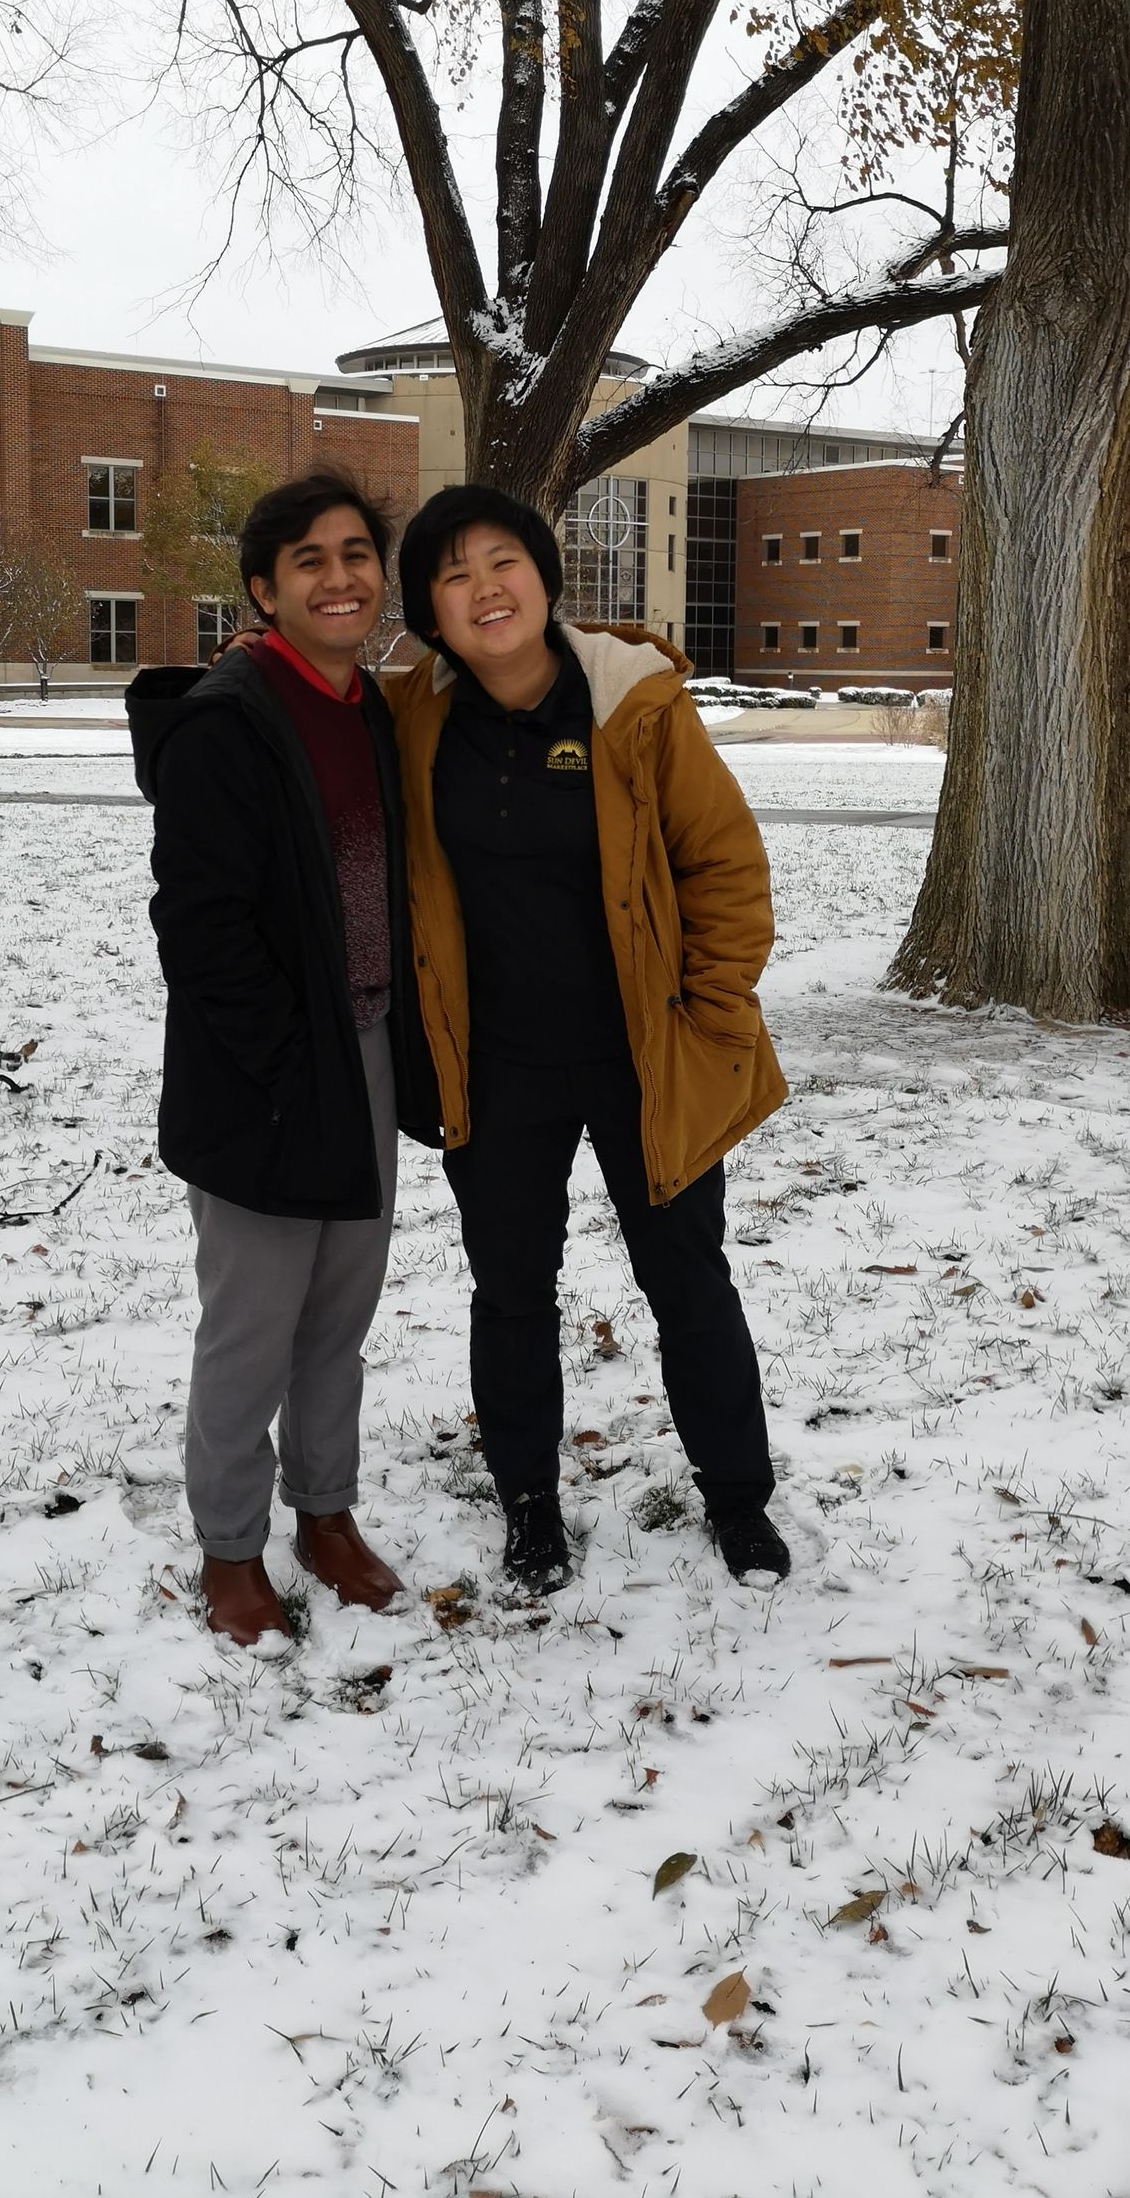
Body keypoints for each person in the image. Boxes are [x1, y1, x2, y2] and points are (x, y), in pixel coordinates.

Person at [383, 484, 791, 1594]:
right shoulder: (411, 712)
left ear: (544, 576)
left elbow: (724, 867)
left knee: (686, 1281)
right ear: (428, 611)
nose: (484, 589)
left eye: (501, 560)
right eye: (454, 574)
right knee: (509, 1290)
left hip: (641, 1056)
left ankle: (738, 1501)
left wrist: (710, 1014)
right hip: (496, 1066)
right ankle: (528, 1508)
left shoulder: (634, 702)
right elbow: (302, 701)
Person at [127, 472, 438, 1646]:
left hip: (363, 1057)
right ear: (263, 589)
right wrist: (273, 1066)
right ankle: (228, 1545)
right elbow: (198, 929)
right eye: (309, 559)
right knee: (251, 1325)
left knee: (337, 1318)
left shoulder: (368, 707)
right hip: (262, 1080)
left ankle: (325, 1512)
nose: (339, 575)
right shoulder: (228, 721)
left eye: (356, 553)